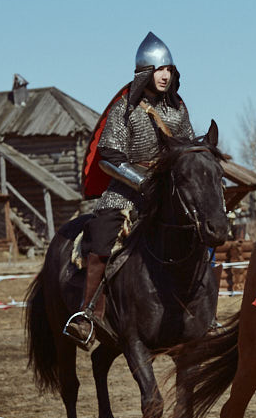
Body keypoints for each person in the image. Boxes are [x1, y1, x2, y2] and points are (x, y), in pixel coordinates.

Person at [65, 32, 196, 346]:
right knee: (101, 239)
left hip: (167, 193)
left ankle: (200, 312)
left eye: (169, 70)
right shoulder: (126, 109)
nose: (165, 76)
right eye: (159, 70)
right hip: (125, 194)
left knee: (199, 232)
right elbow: (108, 158)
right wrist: (142, 180)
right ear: (145, 73)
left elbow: (188, 150)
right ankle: (87, 315)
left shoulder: (178, 109)